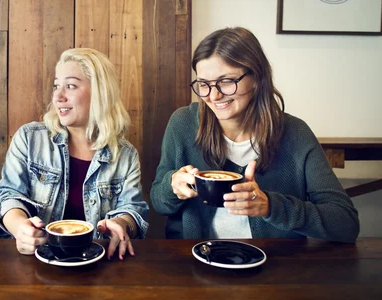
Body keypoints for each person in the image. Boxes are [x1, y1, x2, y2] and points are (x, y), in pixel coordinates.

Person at [150, 27, 359, 243]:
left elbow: (346, 224)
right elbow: (158, 201)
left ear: (256, 77)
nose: (213, 95)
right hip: (197, 261)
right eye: (203, 84)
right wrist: (172, 186)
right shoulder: (183, 123)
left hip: (274, 267)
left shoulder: (295, 134)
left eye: (226, 81)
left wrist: (270, 206)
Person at [0, 48, 149, 260]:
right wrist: (20, 227)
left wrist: (121, 225)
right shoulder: (30, 138)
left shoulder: (125, 155)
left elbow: (132, 209)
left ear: (100, 93)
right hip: (33, 262)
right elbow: (8, 196)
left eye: (71, 86)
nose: (58, 96)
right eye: (56, 86)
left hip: (98, 264)